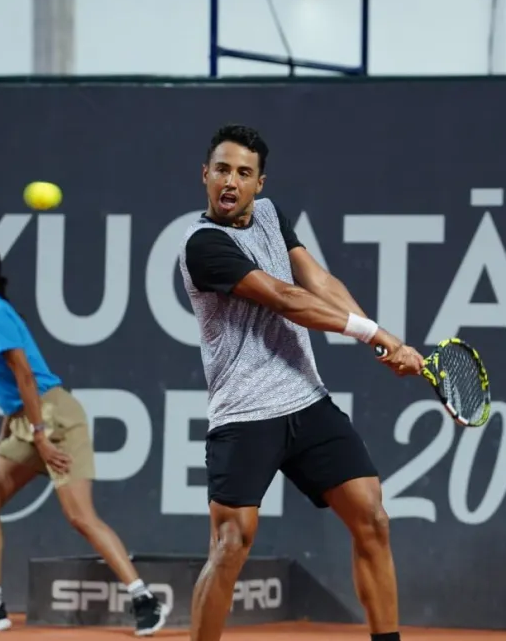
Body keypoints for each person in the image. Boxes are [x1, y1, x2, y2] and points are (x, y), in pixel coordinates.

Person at [179, 124, 425, 641]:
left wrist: (379, 343)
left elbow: (319, 281)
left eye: (243, 173)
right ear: (205, 175)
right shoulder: (203, 246)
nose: (231, 181)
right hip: (245, 414)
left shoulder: (270, 216)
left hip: (306, 400)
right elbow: (286, 298)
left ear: (259, 184)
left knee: (372, 518)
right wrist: (375, 332)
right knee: (231, 543)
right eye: (221, 169)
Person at [0, 238, 170, 637]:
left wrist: (39, 435)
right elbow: (11, 387)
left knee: (80, 516)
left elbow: (26, 375)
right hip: (28, 421)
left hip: (54, 418)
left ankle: (145, 599)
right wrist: (8, 429)